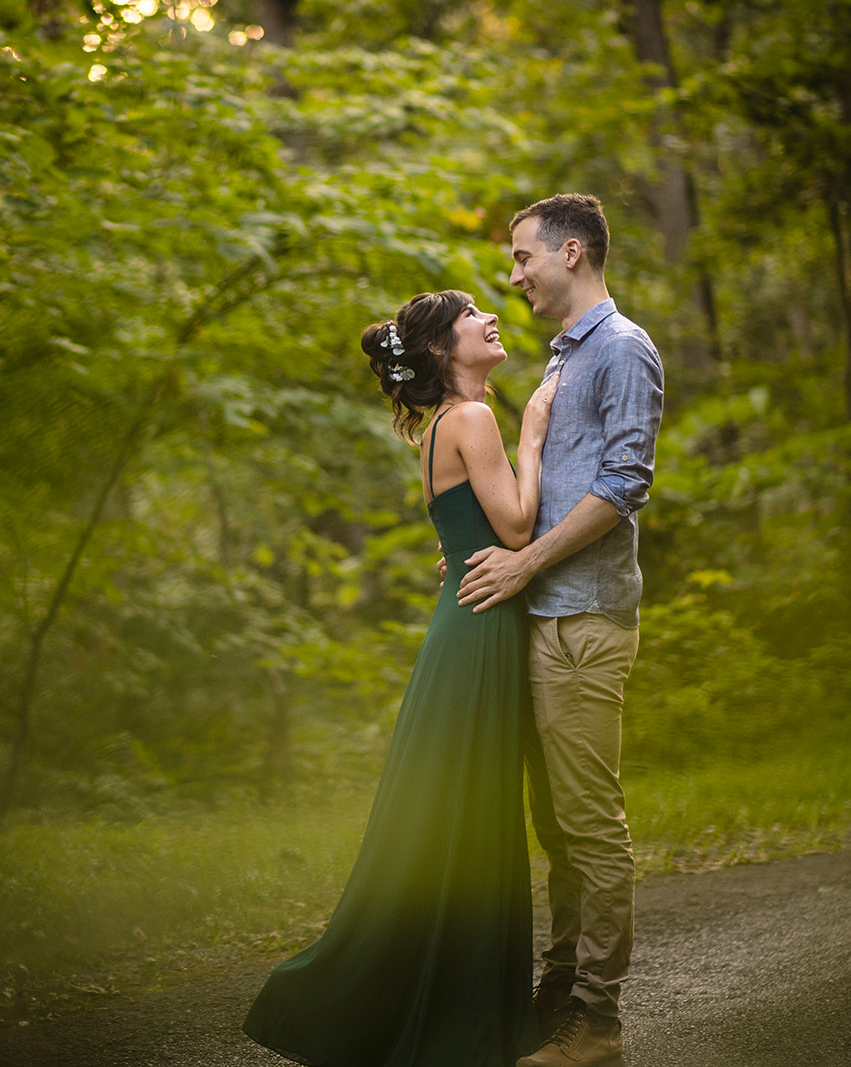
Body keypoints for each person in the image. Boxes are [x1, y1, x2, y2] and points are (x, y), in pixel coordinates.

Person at [243, 290, 558, 1067]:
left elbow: (471, 531)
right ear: (445, 351)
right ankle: (435, 1012)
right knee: (470, 816)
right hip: (479, 632)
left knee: (458, 818)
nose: (491, 315)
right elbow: (517, 528)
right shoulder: (476, 418)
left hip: (462, 628)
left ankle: (447, 1006)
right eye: (472, 313)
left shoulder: (441, 429)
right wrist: (535, 431)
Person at [457, 194, 663, 1067]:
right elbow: (542, 491)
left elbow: (622, 487)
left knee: (588, 822)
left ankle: (597, 1019)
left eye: (521, 258)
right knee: (554, 823)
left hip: (584, 618)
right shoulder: (560, 361)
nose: (514, 277)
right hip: (541, 615)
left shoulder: (621, 349)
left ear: (570, 252)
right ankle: (557, 991)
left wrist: (529, 561)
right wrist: (483, 554)